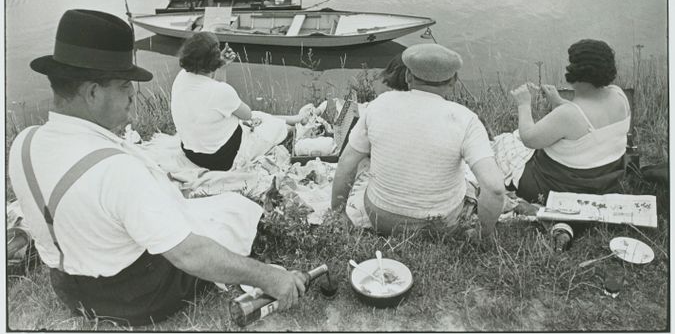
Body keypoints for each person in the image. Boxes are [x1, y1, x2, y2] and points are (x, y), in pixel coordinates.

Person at [8, 10, 306, 326]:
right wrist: (269, 278)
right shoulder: (117, 170)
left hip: (67, 288)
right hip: (134, 296)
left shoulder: (24, 143)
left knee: (209, 210)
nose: (133, 97)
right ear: (93, 92)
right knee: (232, 212)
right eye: (125, 86)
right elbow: (188, 255)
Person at [331, 43, 505, 237]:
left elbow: (346, 163)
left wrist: (339, 214)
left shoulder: (380, 104)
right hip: (440, 225)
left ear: (407, 76)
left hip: (381, 218)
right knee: (470, 186)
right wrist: (483, 233)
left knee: (366, 165)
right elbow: (495, 188)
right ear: (453, 81)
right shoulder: (466, 119)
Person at [510, 39, 630, 249]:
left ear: (576, 70)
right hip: (606, 180)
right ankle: (566, 225)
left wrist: (523, 104)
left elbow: (529, 138)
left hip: (560, 186)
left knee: (509, 142)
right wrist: (557, 101)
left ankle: (552, 215)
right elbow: (587, 121)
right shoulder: (619, 96)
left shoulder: (569, 115)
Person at [171, 32, 304, 171]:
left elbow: (217, 99)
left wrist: (220, 66)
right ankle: (297, 123)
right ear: (213, 61)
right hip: (221, 158)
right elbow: (246, 115)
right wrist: (220, 65)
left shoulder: (181, 78)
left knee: (255, 115)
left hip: (192, 153)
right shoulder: (220, 91)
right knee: (268, 125)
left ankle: (297, 118)